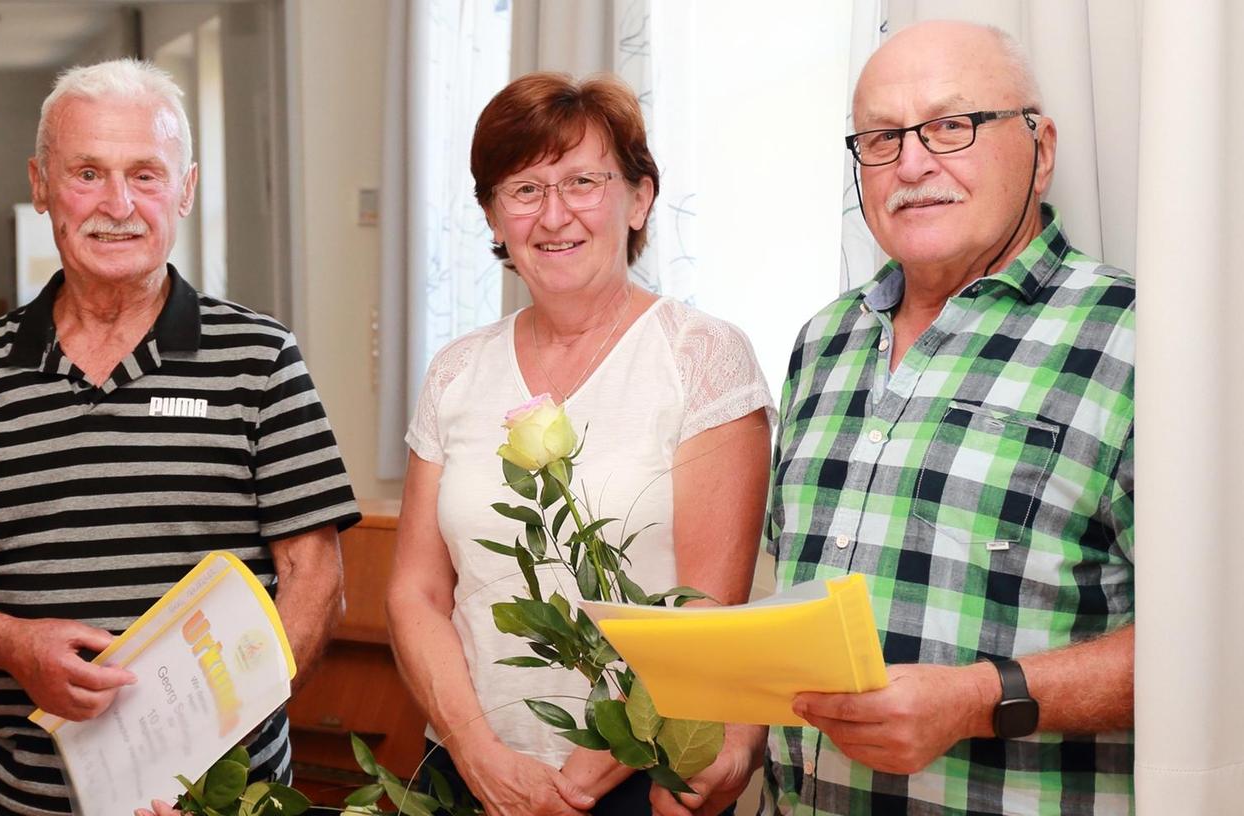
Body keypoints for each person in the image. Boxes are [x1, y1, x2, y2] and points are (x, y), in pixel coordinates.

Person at [0, 59, 361, 816]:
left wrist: (208, 769)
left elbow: (318, 585)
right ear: (41, 184)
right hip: (25, 803)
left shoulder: (261, 359)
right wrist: (11, 644)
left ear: (184, 189)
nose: (118, 204)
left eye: (145, 175)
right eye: (87, 172)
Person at [736, 21, 1134, 816]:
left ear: (1041, 148)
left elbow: (1215, 641)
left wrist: (979, 699)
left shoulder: (1141, 338)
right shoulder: (823, 341)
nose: (912, 164)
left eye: (952, 126)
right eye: (882, 138)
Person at [386, 72, 775, 816]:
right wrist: (479, 755)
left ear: (639, 198)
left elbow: (704, 613)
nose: (554, 214)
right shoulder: (456, 372)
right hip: (471, 773)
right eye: (523, 189)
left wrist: (579, 782)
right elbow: (417, 593)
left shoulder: (702, 357)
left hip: (641, 779)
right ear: (494, 218)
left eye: (583, 181)